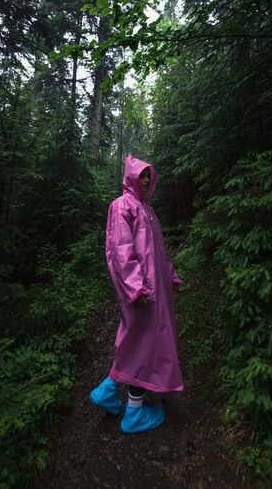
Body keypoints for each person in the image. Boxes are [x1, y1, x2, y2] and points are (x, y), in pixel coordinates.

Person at [89, 154, 184, 434]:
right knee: (141, 345)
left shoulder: (148, 211)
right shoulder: (121, 207)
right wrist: (135, 286)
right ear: (130, 176)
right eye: (141, 174)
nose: (145, 179)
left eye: (148, 175)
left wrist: (171, 276)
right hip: (141, 291)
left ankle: (109, 391)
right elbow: (120, 250)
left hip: (154, 290)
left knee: (137, 343)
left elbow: (158, 251)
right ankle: (133, 413)